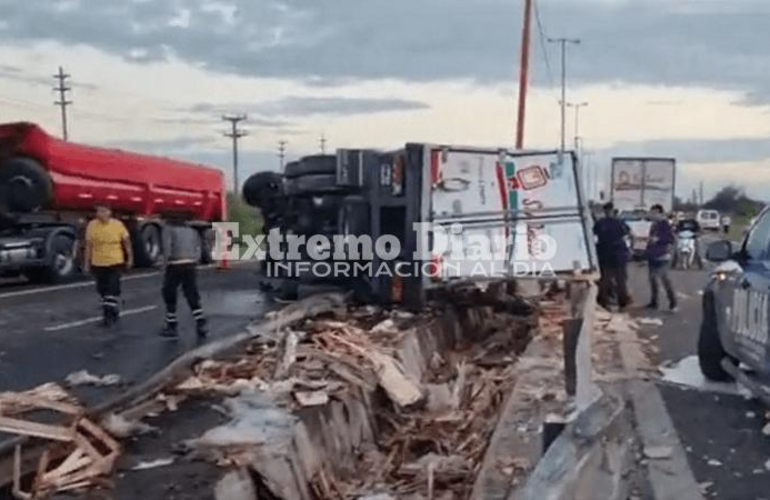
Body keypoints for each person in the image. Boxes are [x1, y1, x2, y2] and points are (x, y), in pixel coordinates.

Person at [83, 204, 133, 327]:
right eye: (98, 211)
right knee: (103, 290)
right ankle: (113, 309)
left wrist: (130, 258)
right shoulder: (92, 225)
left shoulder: (117, 225)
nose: (101, 214)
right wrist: (86, 264)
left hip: (115, 261)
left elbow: (126, 243)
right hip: (98, 262)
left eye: (104, 211)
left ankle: (108, 316)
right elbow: (88, 246)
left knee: (112, 288)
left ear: (110, 212)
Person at [160, 215, 208, 339]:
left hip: (175, 264)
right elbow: (198, 249)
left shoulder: (168, 230)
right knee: (191, 294)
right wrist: (194, 262)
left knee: (169, 293)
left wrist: (164, 266)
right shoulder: (192, 231)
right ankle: (201, 322)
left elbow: (167, 249)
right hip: (190, 264)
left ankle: (172, 325)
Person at [593, 202, 632, 310]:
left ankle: (603, 303)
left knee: (605, 280)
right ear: (613, 211)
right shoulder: (620, 222)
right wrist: (630, 249)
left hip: (605, 254)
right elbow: (630, 235)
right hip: (619, 254)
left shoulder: (600, 223)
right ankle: (622, 303)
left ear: (605, 211)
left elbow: (593, 237)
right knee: (621, 280)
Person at [646, 204, 677, 312]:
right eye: (652, 213)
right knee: (652, 280)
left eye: (654, 213)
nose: (652, 215)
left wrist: (658, 239)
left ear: (660, 213)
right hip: (652, 255)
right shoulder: (653, 225)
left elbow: (670, 239)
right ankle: (654, 302)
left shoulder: (665, 224)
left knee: (664, 280)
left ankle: (673, 303)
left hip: (663, 256)